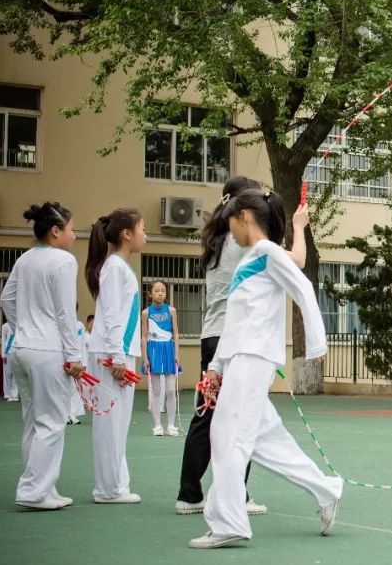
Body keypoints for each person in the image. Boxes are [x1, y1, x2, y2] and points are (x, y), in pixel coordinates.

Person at [190, 187, 341, 549]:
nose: (229, 232)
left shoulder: (268, 252)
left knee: (227, 436)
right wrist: (215, 367)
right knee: (265, 439)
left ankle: (228, 522)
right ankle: (326, 489)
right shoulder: (251, 258)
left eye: (230, 224)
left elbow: (303, 288)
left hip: (254, 357)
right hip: (242, 356)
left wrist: (316, 344)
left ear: (244, 217)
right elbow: (235, 322)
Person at [176, 176, 307, 516]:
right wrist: (299, 226)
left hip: (212, 336)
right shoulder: (246, 243)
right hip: (236, 338)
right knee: (240, 418)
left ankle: (190, 494)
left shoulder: (217, 239)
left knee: (207, 416)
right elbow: (298, 261)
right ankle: (236, 495)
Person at [0, 202, 84, 510]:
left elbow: (6, 298)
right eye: (72, 229)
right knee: (51, 422)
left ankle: (42, 487)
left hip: (21, 350)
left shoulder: (25, 259)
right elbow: (65, 312)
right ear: (56, 230)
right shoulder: (64, 260)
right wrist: (74, 354)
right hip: (48, 352)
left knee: (33, 423)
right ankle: (35, 491)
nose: (75, 235)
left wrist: (23, 328)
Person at [85, 207, 147, 504]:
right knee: (110, 422)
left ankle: (116, 485)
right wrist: (117, 358)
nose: (145, 234)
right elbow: (109, 315)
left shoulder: (121, 267)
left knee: (119, 423)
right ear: (127, 234)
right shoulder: (113, 268)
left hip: (120, 352)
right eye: (142, 228)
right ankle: (108, 488)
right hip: (112, 355)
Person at [142, 281, 180, 437]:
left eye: (163, 291)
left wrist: (177, 353)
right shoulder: (146, 313)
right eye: (156, 291)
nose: (160, 293)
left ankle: (171, 425)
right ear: (150, 293)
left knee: (170, 390)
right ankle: (157, 425)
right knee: (156, 390)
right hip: (154, 350)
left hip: (169, 350)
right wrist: (145, 358)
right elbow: (143, 336)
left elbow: (176, 333)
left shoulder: (171, 311)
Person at [1, 320, 19, 402]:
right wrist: (3, 354)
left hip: (18, 353)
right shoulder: (5, 326)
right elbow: (3, 340)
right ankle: (8, 394)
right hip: (8, 352)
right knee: (8, 374)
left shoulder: (20, 325)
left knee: (16, 374)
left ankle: (14, 395)